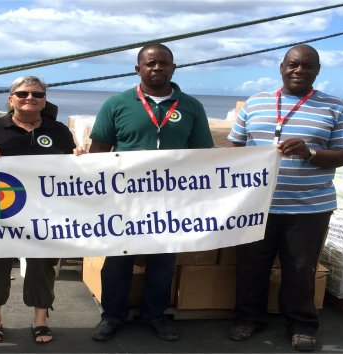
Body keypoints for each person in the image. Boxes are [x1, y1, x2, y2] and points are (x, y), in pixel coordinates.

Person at [225, 44, 343, 352]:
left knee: (300, 269)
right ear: (281, 68)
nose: (300, 70)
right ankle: (248, 319)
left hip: (309, 207)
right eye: (293, 64)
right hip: (257, 205)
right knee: (251, 265)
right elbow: (234, 151)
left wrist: (309, 152)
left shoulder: (334, 107)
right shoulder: (255, 104)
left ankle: (301, 325)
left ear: (317, 71)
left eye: (308, 66)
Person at [86, 43, 214, 342]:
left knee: (163, 262)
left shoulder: (191, 106)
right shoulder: (116, 104)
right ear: (138, 69)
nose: (157, 68)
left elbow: (203, 156)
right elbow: (99, 153)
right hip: (123, 201)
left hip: (171, 201)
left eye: (164, 63)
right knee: (118, 261)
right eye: (150, 63)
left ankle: (155, 315)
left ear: (173, 67)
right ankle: (112, 316)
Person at [0, 76, 75, 344]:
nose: (30, 98)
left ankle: (40, 319)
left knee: (42, 264)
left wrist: (81, 158)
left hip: (44, 212)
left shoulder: (59, 130)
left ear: (44, 100)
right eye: (23, 94)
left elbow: (72, 169)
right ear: (11, 98)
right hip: (1, 210)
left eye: (37, 94)